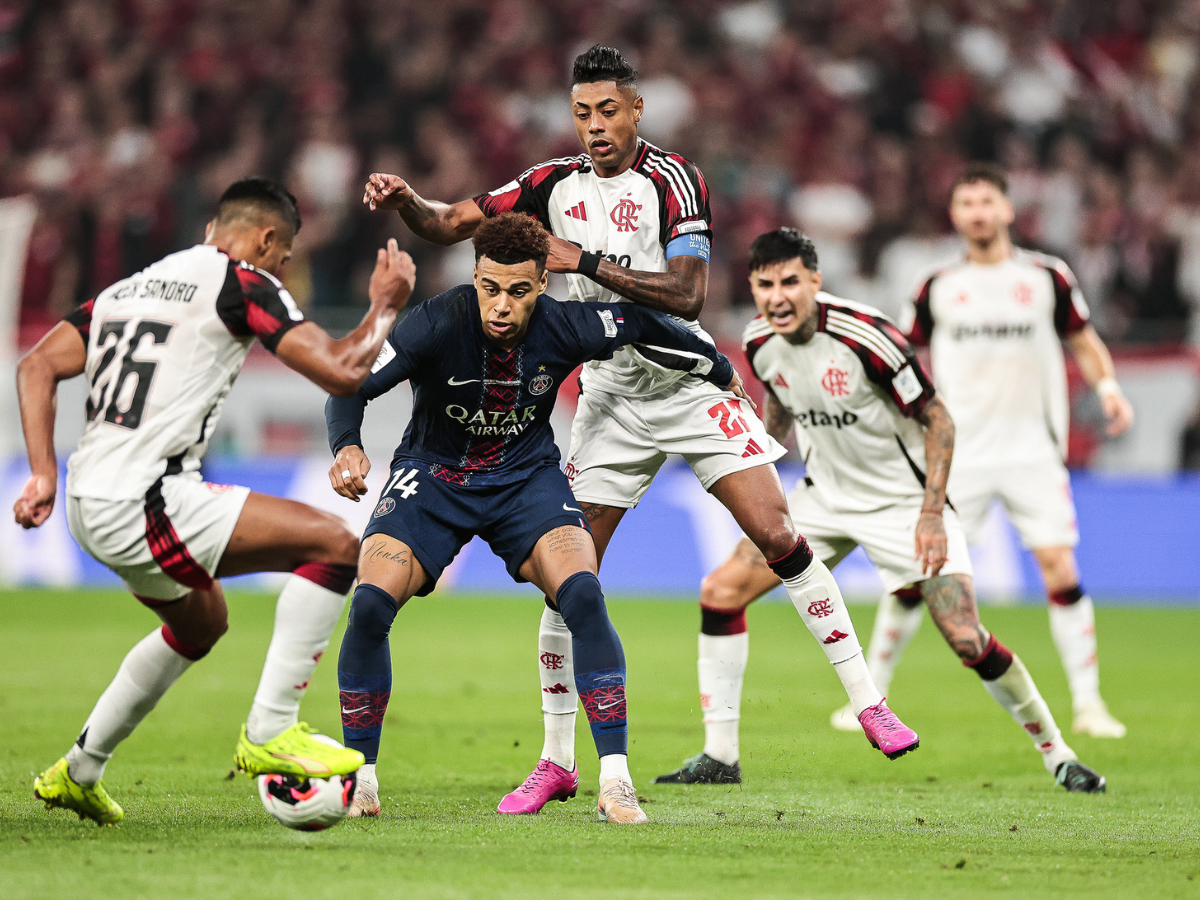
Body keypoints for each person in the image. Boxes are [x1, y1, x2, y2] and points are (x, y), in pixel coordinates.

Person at [362, 44, 918, 815]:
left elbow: (688, 294)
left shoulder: (672, 180)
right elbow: (451, 221)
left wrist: (581, 256)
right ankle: (556, 761)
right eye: (582, 112)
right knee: (568, 579)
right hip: (612, 398)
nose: (595, 126)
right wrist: (407, 204)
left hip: (687, 383)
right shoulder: (549, 182)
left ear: (636, 109)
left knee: (778, 531)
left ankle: (867, 701)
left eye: (608, 110)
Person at [15, 177, 415, 825]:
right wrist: (385, 305)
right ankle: (270, 729)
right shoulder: (241, 282)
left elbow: (35, 365)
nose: (283, 269)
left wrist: (41, 474)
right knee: (336, 546)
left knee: (200, 622)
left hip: (92, 495)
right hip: (144, 497)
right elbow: (344, 370)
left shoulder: (126, 291)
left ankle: (79, 771)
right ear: (264, 239)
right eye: (284, 256)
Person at [326, 213, 745, 824]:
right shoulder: (437, 319)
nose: (500, 305)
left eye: (518, 291)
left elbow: (647, 320)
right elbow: (348, 382)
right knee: (368, 606)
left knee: (583, 595)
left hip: (526, 481)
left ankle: (616, 781)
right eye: (489, 288)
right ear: (475, 278)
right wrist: (347, 445)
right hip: (434, 478)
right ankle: (360, 777)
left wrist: (720, 369)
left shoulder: (569, 323)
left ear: (542, 286)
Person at [654, 229, 1106, 793]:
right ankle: (720, 756)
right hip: (823, 500)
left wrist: (932, 513)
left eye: (791, 282)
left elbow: (938, 419)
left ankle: (1058, 754)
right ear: (753, 287)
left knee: (966, 636)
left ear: (815, 282)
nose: (778, 296)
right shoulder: (759, 340)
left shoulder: (867, 337)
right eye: (765, 284)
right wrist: (759, 465)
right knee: (720, 592)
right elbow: (780, 404)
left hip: (903, 505)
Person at [853, 162, 1132, 740]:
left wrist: (1107, 387)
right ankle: (870, 697)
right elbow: (904, 357)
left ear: (1007, 209)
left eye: (987, 202)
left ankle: (1089, 704)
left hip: (1033, 449)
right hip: (959, 455)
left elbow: (1083, 339)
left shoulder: (1047, 276)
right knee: (915, 574)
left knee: (1060, 568)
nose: (978, 213)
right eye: (966, 204)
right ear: (955, 216)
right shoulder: (937, 286)